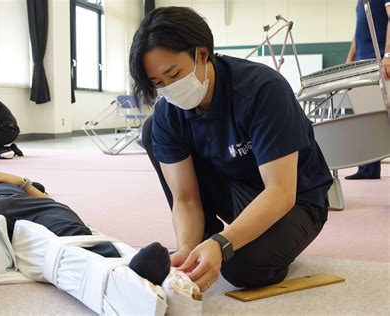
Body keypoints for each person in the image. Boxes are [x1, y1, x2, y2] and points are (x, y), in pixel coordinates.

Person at [129, 7, 333, 292]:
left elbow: (280, 191)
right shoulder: (169, 113)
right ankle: (208, 243)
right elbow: (186, 198)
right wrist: (189, 247)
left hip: (297, 199)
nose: (170, 89)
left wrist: (223, 243)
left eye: (173, 74)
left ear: (202, 54)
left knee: (242, 267)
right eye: (158, 84)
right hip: (234, 185)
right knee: (153, 129)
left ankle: (237, 243)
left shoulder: (263, 89)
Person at [0, 172, 176, 315]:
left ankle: (128, 273)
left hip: (35, 205)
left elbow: (46, 197)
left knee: (73, 232)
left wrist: (21, 181)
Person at [344, 0, 390, 180]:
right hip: (363, 61)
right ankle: (368, 169)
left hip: (379, 59)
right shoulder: (361, 2)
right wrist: (348, 63)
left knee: (383, 117)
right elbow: (358, 35)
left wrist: (387, 55)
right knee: (366, 118)